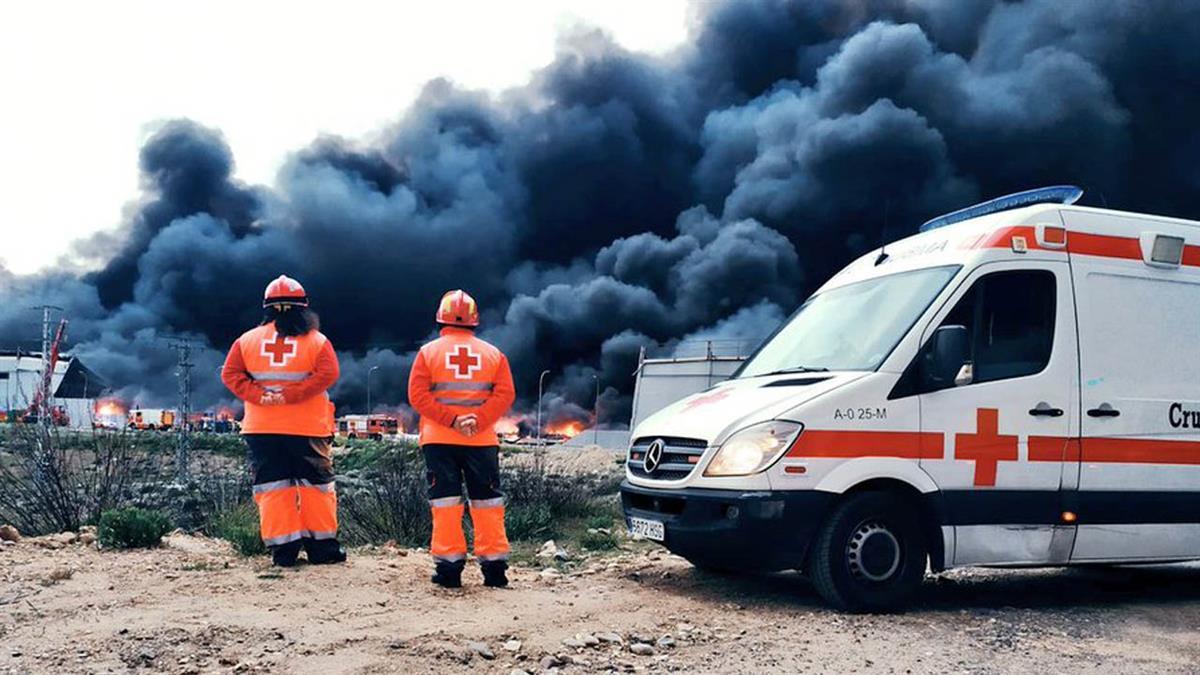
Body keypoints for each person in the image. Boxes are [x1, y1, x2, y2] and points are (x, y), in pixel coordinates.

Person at [221, 274, 345, 567]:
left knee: (273, 488)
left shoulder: (246, 341)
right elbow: (328, 374)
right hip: (307, 429)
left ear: (265, 308)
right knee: (316, 488)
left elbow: (230, 374)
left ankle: (283, 552)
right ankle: (323, 550)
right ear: (304, 308)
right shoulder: (318, 341)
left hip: (262, 430)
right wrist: (292, 394)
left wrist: (260, 394)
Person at [408, 289, 516, 588]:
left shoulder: (428, 353)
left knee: (445, 504)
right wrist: (477, 420)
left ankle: (449, 571)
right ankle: (494, 571)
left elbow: (417, 396)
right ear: (474, 320)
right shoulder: (494, 354)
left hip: (438, 440)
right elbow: (505, 394)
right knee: (488, 503)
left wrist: (452, 421)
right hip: (481, 441)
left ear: (441, 318)